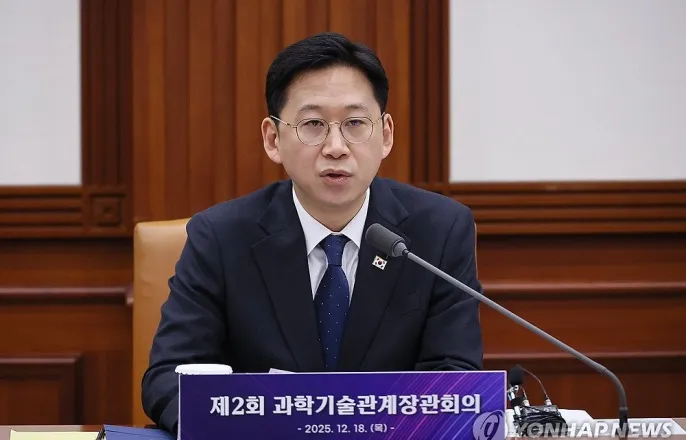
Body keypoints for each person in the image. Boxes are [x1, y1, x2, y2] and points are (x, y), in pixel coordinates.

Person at [141, 31, 483, 434]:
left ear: (386, 134)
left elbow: (455, 377)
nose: (336, 146)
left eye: (355, 123)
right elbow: (169, 376)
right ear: (273, 139)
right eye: (313, 124)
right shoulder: (219, 237)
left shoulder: (440, 231)